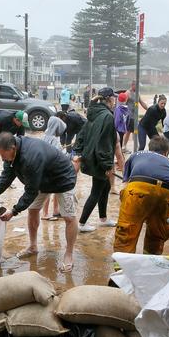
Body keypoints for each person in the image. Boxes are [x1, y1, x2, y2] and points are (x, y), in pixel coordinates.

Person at [0, 132, 78, 272]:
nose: (3, 158)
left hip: (62, 178)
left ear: (12, 148)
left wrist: (14, 211)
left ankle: (69, 254)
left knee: (69, 217)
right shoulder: (11, 154)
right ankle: (33, 246)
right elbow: (8, 174)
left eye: (3, 155)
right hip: (42, 180)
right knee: (33, 210)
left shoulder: (31, 157)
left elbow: (31, 191)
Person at [112, 136, 169, 270]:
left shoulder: (136, 154)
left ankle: (121, 273)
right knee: (156, 236)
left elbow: (125, 185)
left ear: (150, 148)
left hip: (140, 188)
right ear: (166, 152)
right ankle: (150, 269)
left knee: (126, 233)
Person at [73, 87, 123, 232]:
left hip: (92, 158)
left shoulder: (93, 113)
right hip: (100, 160)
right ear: (109, 99)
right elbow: (105, 143)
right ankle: (82, 224)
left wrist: (78, 151)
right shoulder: (107, 116)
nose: (115, 101)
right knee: (96, 191)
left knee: (106, 187)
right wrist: (108, 165)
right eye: (114, 98)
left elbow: (81, 135)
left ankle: (103, 218)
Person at [40, 114, 67, 220]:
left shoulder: (45, 136)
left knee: (55, 190)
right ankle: (45, 213)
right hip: (51, 168)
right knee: (49, 191)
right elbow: (58, 154)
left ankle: (55, 210)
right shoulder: (54, 139)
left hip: (46, 167)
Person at [123, 80, 148, 152]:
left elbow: (142, 102)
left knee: (133, 131)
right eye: (137, 86)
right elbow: (123, 104)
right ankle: (126, 147)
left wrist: (149, 109)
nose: (138, 87)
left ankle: (132, 147)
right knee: (130, 131)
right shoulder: (127, 93)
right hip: (129, 116)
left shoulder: (137, 93)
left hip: (135, 116)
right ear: (133, 85)